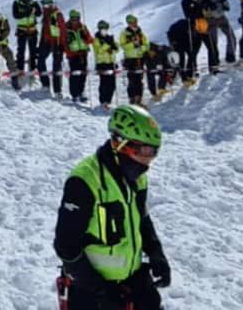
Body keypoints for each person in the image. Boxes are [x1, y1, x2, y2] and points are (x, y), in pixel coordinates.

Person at [54, 105, 170, 310]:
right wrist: (101, 291)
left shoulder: (137, 178)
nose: (148, 160)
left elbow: (141, 218)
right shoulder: (85, 180)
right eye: (142, 150)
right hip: (90, 289)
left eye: (153, 152)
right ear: (119, 143)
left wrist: (155, 252)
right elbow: (66, 245)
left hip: (132, 280)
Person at [180, 0, 218, 80]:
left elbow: (212, 6)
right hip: (194, 28)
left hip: (204, 26)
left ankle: (213, 67)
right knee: (194, 50)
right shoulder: (185, 1)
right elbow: (189, 15)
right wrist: (200, 9)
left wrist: (208, 8)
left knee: (212, 46)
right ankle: (192, 70)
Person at [201, 0, 237, 64]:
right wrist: (208, 6)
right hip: (211, 19)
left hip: (221, 17)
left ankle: (230, 56)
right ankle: (214, 61)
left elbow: (227, 7)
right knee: (213, 41)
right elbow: (202, 8)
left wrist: (224, 3)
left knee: (231, 36)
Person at [38, 0, 67, 95]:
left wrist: (63, 44)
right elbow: (44, 31)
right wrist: (40, 44)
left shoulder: (57, 14)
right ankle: (45, 84)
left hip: (57, 42)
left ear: (51, 4)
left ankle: (57, 90)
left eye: (46, 4)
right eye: (43, 4)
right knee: (40, 60)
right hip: (46, 42)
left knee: (56, 66)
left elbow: (63, 30)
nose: (44, 6)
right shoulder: (45, 15)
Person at [12, 0, 42, 79]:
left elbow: (39, 13)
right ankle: (20, 69)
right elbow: (16, 15)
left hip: (32, 29)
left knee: (33, 51)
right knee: (21, 50)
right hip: (22, 30)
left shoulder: (33, 2)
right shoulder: (16, 2)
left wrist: (34, 9)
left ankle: (32, 69)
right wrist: (26, 12)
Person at [64, 9, 93, 103]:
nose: (75, 20)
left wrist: (87, 38)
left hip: (83, 53)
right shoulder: (66, 28)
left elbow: (90, 39)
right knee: (74, 75)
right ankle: (74, 94)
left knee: (83, 74)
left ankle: (81, 92)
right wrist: (68, 52)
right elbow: (63, 42)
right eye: (73, 18)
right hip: (73, 55)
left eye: (77, 18)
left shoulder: (83, 27)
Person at [119, 15, 149, 106]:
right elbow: (123, 45)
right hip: (130, 59)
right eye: (131, 22)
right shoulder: (124, 33)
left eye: (135, 22)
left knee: (139, 79)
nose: (133, 24)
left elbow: (147, 45)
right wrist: (133, 44)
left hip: (139, 58)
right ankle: (132, 97)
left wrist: (141, 47)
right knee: (132, 79)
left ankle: (139, 98)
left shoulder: (140, 33)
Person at [93, 20, 119, 109]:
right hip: (102, 64)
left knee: (112, 84)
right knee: (104, 83)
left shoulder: (109, 37)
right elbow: (99, 50)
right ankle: (103, 101)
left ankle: (108, 101)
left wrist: (113, 44)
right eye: (102, 28)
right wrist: (107, 44)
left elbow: (117, 49)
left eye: (105, 28)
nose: (104, 30)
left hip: (111, 64)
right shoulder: (96, 39)